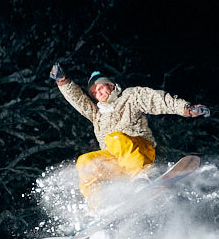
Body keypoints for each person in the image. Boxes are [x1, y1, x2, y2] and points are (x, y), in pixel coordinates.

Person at [50, 63, 210, 201]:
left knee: (114, 138)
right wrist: (63, 82)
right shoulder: (97, 115)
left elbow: (157, 100)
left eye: (100, 87)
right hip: (118, 163)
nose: (97, 92)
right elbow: (79, 101)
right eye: (94, 92)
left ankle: (145, 176)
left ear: (111, 85)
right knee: (84, 162)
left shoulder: (129, 97)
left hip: (140, 150)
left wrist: (186, 109)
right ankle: (97, 206)